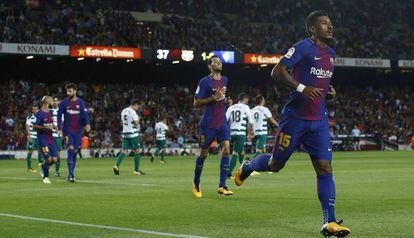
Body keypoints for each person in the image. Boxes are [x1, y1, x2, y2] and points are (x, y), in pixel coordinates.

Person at [234, 11, 350, 237]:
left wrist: (329, 93)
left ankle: (330, 222)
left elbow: (321, 83)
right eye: (324, 23)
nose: (330, 26)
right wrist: (302, 88)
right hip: (295, 119)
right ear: (313, 29)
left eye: (331, 23)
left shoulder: (332, 55)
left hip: (318, 121)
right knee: (275, 164)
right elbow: (277, 71)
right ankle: (248, 167)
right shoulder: (302, 47)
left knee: (324, 168)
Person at [192, 55, 234, 198]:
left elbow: (221, 99)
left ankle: (222, 186)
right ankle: (196, 183)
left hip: (222, 122)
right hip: (208, 124)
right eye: (215, 61)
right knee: (203, 154)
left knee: (227, 150)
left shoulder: (225, 80)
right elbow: (196, 103)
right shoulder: (204, 82)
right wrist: (213, 98)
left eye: (220, 61)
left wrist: (226, 102)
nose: (219, 63)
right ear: (210, 66)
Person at [57, 83, 91, 183]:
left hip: (78, 131)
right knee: (71, 149)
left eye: (70, 91)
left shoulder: (80, 102)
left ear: (75, 91)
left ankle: (71, 173)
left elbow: (85, 114)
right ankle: (70, 175)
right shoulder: (63, 103)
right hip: (67, 130)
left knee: (75, 151)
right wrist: (59, 128)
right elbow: (59, 116)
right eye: (67, 91)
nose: (68, 93)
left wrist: (87, 124)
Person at [113, 99, 145, 175]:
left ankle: (116, 166)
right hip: (133, 134)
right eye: (138, 107)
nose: (138, 109)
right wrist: (136, 122)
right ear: (135, 104)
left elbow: (121, 122)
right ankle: (136, 170)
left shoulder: (123, 111)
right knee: (137, 151)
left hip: (125, 133)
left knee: (125, 151)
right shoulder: (133, 112)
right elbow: (136, 122)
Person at [226, 92, 253, 178]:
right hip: (240, 133)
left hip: (231, 132)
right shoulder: (245, 107)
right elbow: (251, 121)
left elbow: (225, 120)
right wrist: (249, 133)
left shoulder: (231, 107)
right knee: (235, 153)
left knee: (241, 152)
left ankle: (244, 170)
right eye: (247, 99)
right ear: (244, 99)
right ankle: (228, 173)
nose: (248, 101)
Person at [34, 96, 58, 184]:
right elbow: (35, 126)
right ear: (46, 102)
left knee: (54, 160)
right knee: (48, 159)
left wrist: (55, 127)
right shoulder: (39, 113)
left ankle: (43, 168)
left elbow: (51, 123)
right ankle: (45, 177)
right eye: (51, 100)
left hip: (51, 139)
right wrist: (45, 127)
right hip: (43, 139)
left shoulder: (51, 112)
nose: (53, 101)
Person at [25, 105, 43, 173]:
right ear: (32, 110)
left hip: (38, 137)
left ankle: (42, 167)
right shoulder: (29, 117)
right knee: (30, 151)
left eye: (36, 109)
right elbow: (27, 127)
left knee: (40, 152)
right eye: (33, 109)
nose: (35, 110)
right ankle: (29, 168)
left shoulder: (40, 116)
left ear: (38, 110)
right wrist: (29, 136)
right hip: (32, 136)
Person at [51, 96, 63, 176]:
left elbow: (63, 122)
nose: (55, 102)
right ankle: (45, 169)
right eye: (54, 100)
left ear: (58, 102)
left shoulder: (61, 111)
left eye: (56, 100)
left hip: (58, 136)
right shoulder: (49, 111)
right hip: (50, 135)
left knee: (58, 155)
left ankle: (57, 171)